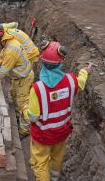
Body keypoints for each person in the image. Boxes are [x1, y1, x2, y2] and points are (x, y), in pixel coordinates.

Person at [22, 40, 92, 181]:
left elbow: (33, 117)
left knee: (40, 164)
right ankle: (55, 178)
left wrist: (24, 109)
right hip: (62, 133)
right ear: (61, 63)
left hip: (42, 136)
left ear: (43, 62)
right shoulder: (72, 81)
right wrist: (85, 71)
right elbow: (81, 82)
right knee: (57, 158)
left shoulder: (38, 88)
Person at [0, 27, 33, 136]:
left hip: (24, 78)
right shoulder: (8, 42)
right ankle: (18, 116)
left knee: (22, 103)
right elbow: (3, 58)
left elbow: (3, 72)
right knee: (13, 95)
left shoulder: (11, 50)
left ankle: (24, 130)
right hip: (17, 76)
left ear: (0, 40)